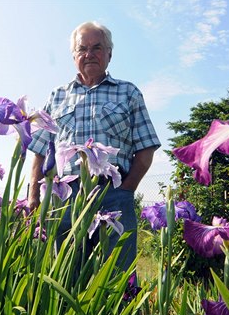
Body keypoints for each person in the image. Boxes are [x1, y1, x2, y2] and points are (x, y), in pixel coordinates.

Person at [27, 21, 160, 272]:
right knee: (67, 273)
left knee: (117, 275)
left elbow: (146, 149)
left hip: (113, 193)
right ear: (73, 55)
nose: (89, 54)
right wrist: (34, 196)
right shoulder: (57, 96)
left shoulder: (128, 92)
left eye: (97, 47)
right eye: (82, 49)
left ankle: (117, 312)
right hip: (67, 197)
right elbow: (39, 150)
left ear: (109, 53)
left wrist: (125, 190)